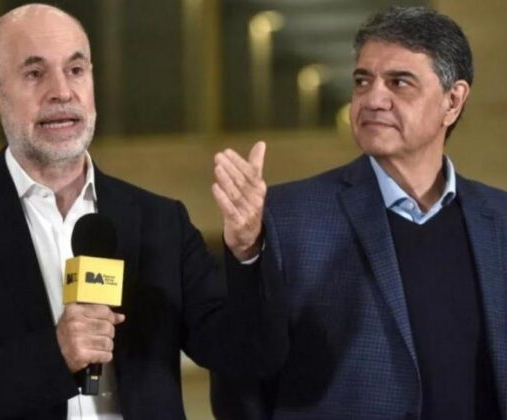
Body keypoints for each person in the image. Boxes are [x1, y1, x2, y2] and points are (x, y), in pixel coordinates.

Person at [0, 4, 287, 419]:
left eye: (75, 70)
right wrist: (54, 355)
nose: (61, 92)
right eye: (35, 74)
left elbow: (245, 355)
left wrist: (248, 252)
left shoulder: (160, 222)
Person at [211, 6, 506, 419]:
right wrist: (245, 253)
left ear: (452, 101)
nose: (372, 99)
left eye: (399, 82)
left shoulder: (500, 221)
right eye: (362, 81)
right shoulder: (287, 218)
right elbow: (240, 385)